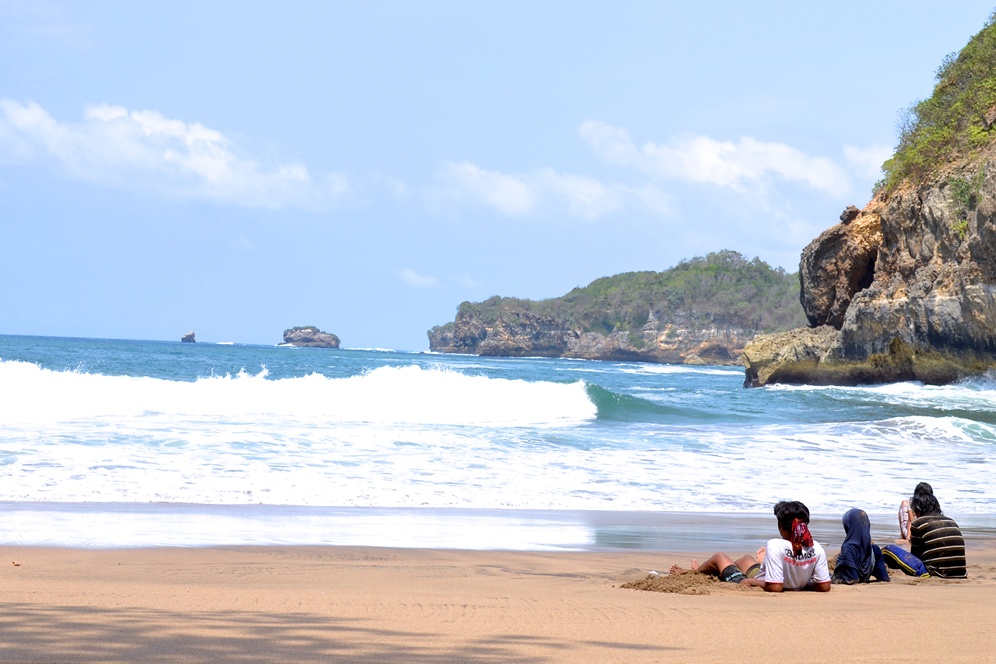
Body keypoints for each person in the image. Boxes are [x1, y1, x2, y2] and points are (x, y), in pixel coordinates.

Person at [669, 500, 831, 592]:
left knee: (720, 557)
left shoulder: (776, 545)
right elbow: (824, 585)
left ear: (781, 526)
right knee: (747, 558)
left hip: (761, 582)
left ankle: (696, 572)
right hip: (773, 575)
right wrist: (799, 585)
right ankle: (761, 565)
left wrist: (751, 582)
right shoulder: (816, 548)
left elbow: (775, 586)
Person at [883, 488, 967, 579]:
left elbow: (915, 556)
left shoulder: (919, 523)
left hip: (935, 572)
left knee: (888, 549)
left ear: (918, 509)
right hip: (961, 572)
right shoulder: (951, 521)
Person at [831, 508, 890, 584]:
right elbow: (884, 578)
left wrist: (835, 581)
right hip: (864, 579)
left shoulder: (848, 548)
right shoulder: (875, 550)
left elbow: (852, 579)